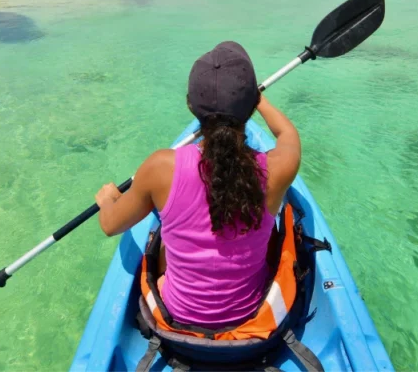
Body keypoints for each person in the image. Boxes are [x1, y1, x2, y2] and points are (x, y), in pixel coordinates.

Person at [95, 41, 301, 327]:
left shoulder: (160, 168)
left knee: (166, 234)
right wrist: (257, 98)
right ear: (251, 105)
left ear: (191, 105)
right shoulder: (279, 167)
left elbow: (110, 226)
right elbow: (287, 133)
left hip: (178, 318)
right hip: (249, 317)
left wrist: (107, 201)